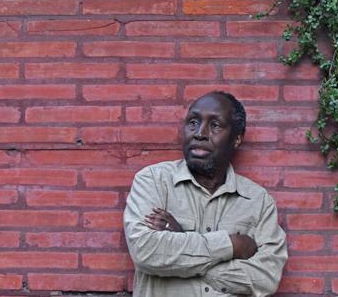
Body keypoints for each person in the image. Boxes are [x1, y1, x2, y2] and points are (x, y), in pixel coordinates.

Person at [123, 91, 288, 297]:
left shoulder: (258, 202)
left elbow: (266, 278)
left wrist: (183, 242)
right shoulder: (153, 182)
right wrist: (232, 245)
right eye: (193, 122)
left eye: (215, 125)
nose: (200, 133)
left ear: (237, 139)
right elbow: (146, 251)